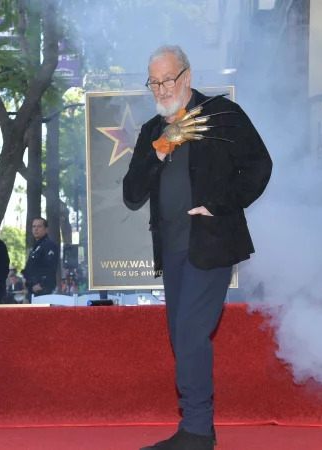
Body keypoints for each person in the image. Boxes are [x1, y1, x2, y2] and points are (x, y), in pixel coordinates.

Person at [123, 45, 272, 450]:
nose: (160, 88)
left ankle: (198, 432)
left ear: (187, 77)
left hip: (209, 244)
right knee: (180, 335)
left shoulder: (223, 116)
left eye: (167, 79)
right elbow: (131, 192)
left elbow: (260, 165)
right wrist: (157, 151)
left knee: (189, 332)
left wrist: (220, 205)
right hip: (171, 249)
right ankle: (195, 427)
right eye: (153, 81)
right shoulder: (152, 131)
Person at [22, 218, 58, 301]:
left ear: (46, 229)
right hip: (32, 290)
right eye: (34, 226)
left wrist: (42, 285)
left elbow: (51, 268)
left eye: (39, 226)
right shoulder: (36, 246)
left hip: (42, 290)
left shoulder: (48, 245)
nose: (36, 229)